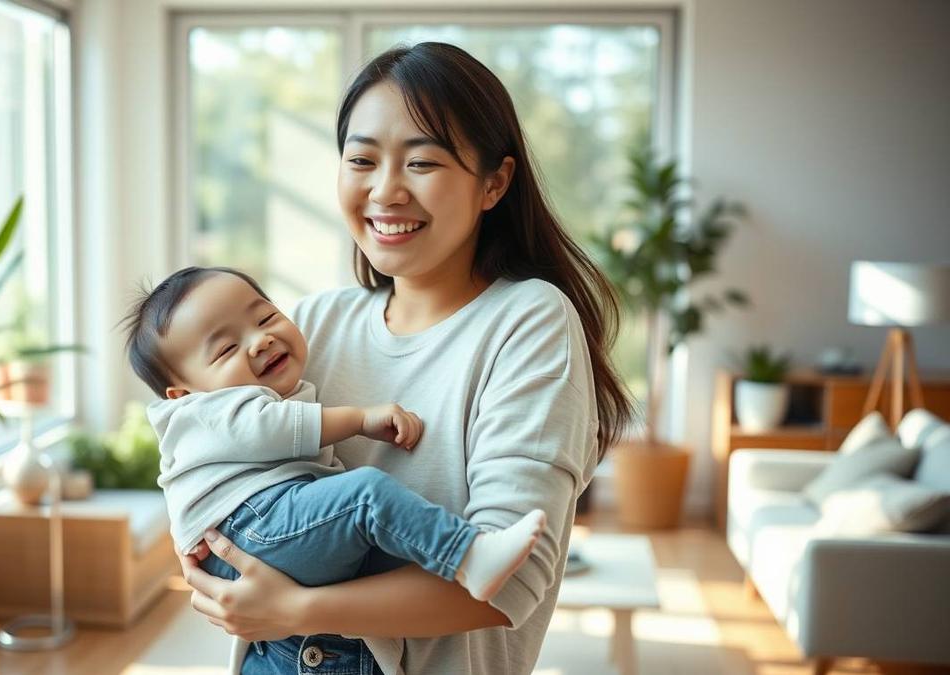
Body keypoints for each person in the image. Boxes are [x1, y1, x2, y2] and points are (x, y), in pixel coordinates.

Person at [179, 42, 634, 675]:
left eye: (422, 162)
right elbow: (219, 471)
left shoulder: (528, 321)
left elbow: (511, 582)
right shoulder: (311, 325)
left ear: (494, 183)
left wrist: (296, 609)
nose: (385, 190)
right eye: (361, 159)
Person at [123, 266, 549, 672]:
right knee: (366, 495)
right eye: (226, 349)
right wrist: (360, 419)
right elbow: (270, 428)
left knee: (388, 545)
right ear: (182, 393)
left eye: (266, 317)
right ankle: (469, 555)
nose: (260, 341)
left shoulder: (531, 318)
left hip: (261, 537)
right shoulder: (204, 411)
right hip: (251, 526)